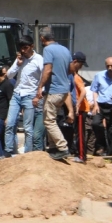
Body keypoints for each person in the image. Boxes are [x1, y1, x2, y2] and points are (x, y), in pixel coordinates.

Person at [35, 27, 73, 160]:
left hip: (54, 90)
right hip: (63, 90)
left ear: (42, 38)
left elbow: (47, 69)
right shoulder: (65, 49)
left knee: (49, 121)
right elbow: (70, 69)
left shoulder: (48, 50)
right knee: (51, 119)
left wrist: (40, 87)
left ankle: (62, 147)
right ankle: (53, 147)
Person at [5, 34, 44, 155]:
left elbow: (45, 78)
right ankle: (9, 151)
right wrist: (17, 63)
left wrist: (39, 94)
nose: (23, 50)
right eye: (21, 48)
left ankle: (28, 154)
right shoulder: (20, 59)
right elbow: (9, 75)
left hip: (30, 95)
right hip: (17, 94)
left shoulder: (39, 60)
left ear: (32, 46)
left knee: (28, 128)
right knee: (10, 124)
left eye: (25, 47)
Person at [90, 57, 112, 157]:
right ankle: (101, 145)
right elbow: (94, 90)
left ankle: (110, 152)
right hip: (100, 104)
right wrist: (95, 104)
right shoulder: (99, 75)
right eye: (107, 66)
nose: (110, 68)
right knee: (95, 123)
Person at [69, 53, 89, 163]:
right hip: (78, 108)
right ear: (75, 61)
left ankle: (81, 156)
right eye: (81, 64)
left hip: (81, 109)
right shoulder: (72, 76)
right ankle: (78, 153)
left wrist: (77, 104)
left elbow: (83, 91)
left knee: (80, 133)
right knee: (77, 132)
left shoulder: (76, 77)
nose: (81, 67)